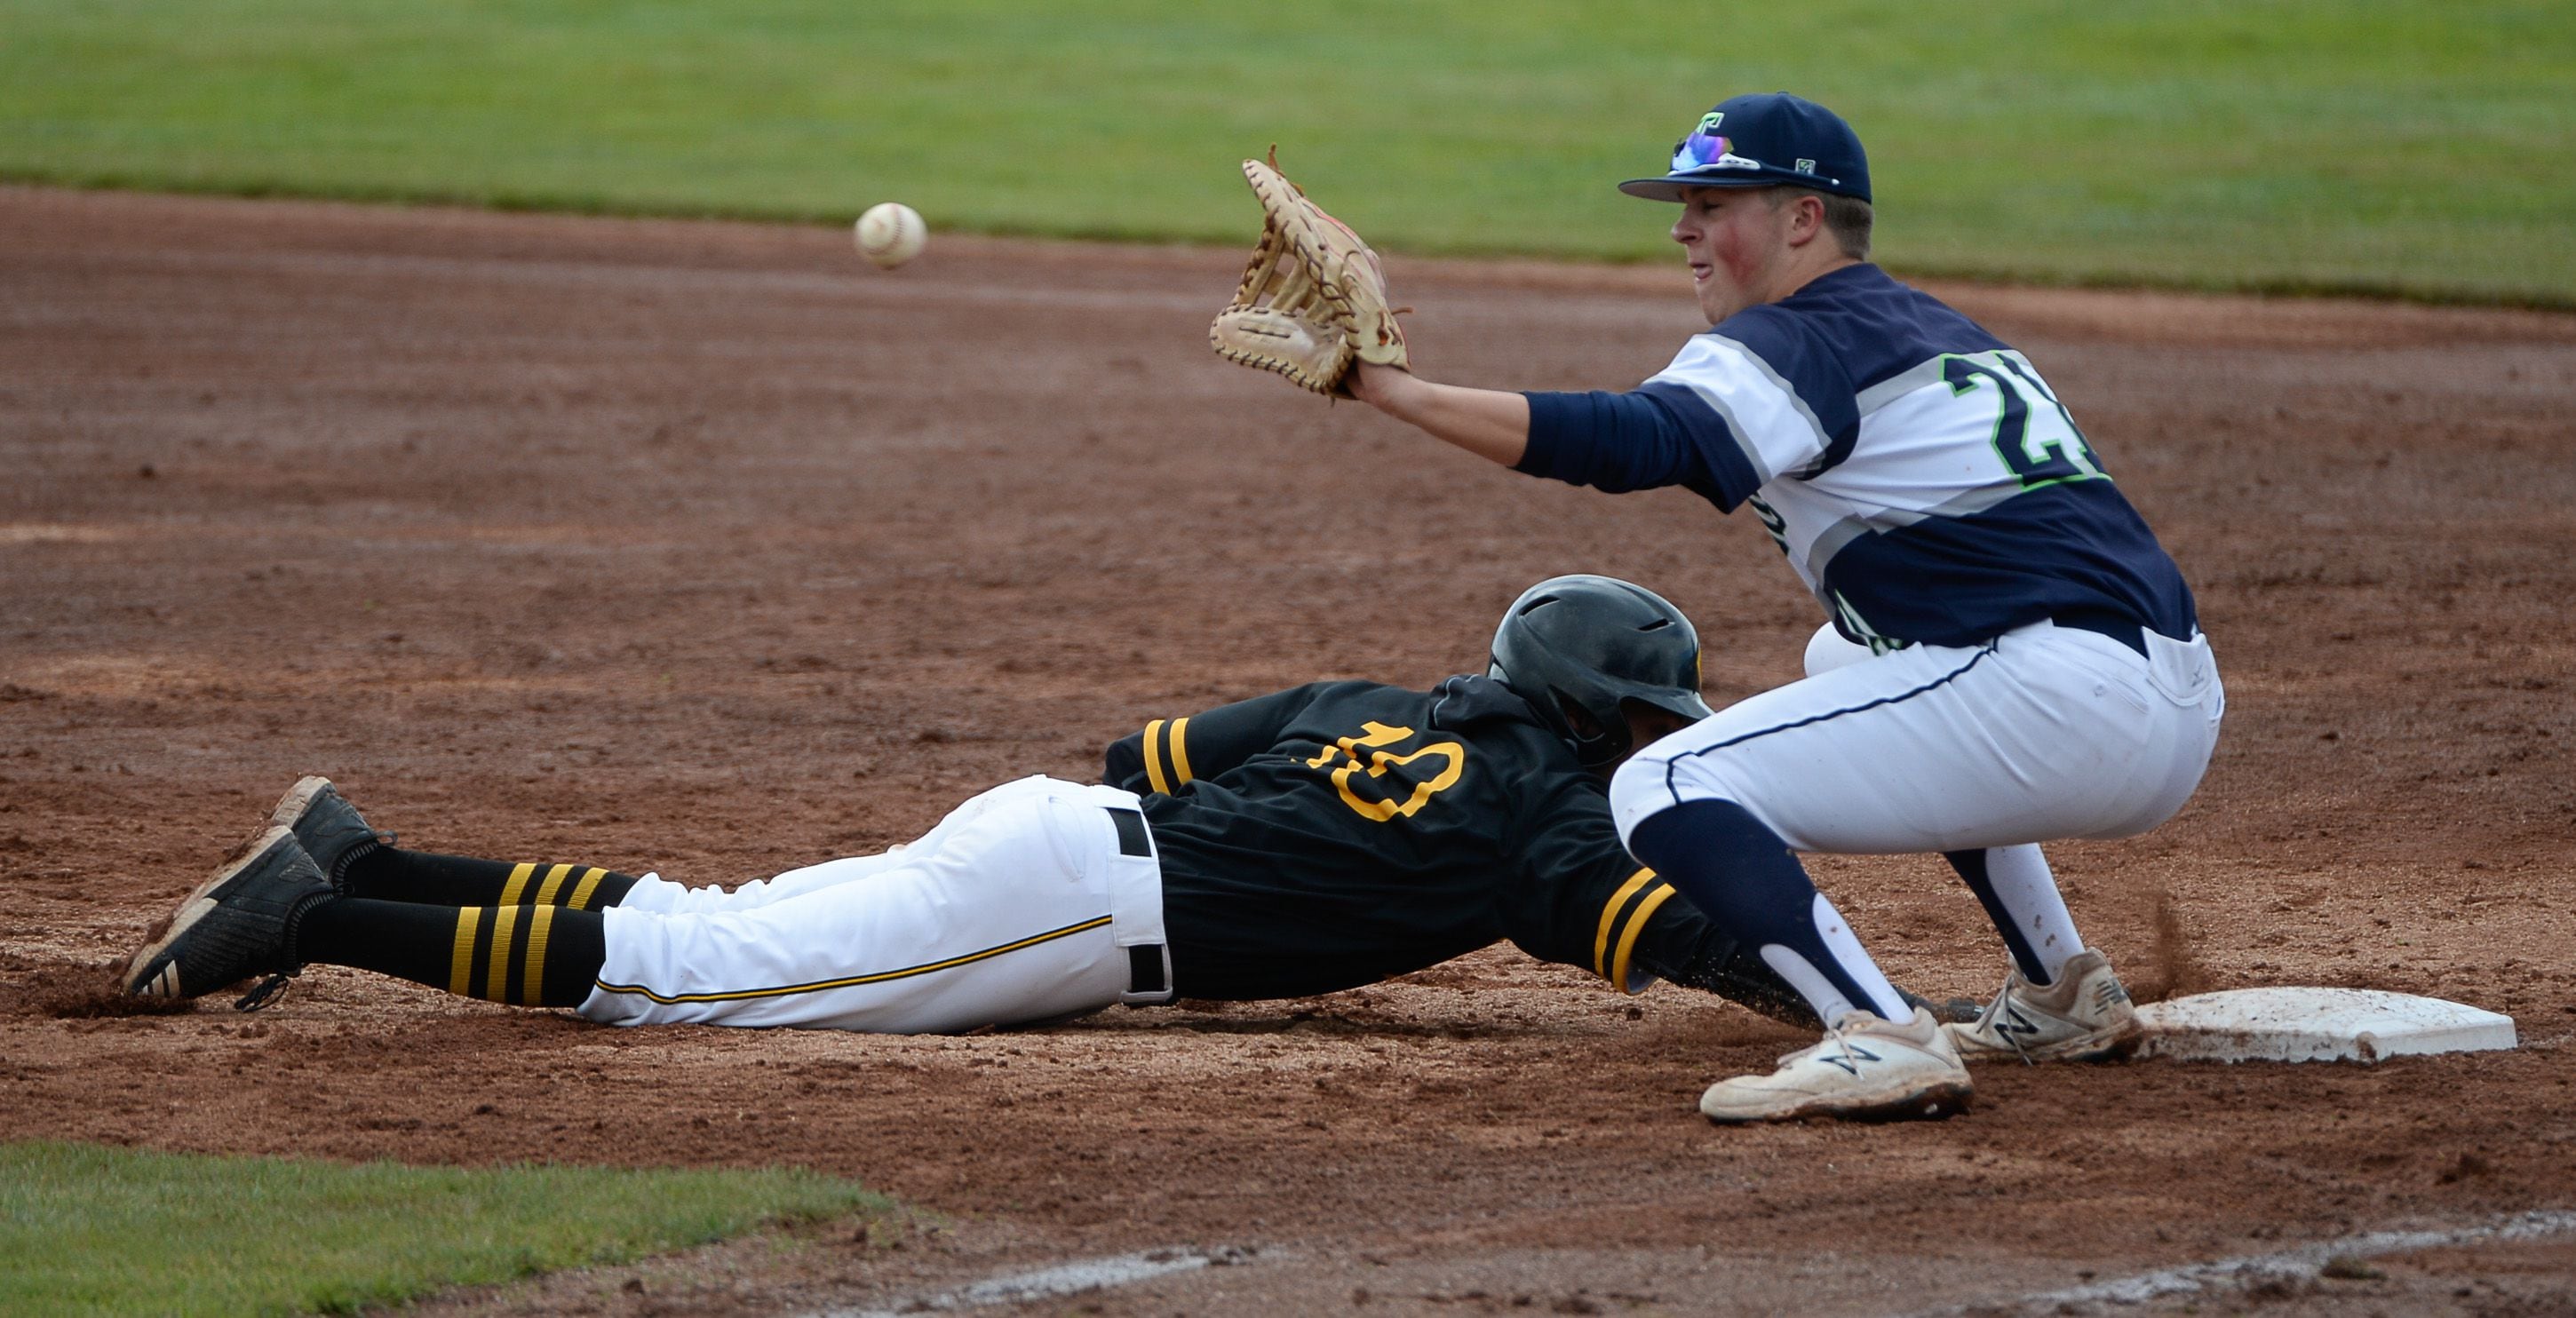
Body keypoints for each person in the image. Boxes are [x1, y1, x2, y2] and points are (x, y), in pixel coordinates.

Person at [1340, 92, 2223, 1123]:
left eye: (1713, 202)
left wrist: (1402, 393)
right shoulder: (1928, 324)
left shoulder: (1793, 337)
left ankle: (1876, 1030)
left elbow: (1636, 442)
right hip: (2161, 700)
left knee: (1663, 781)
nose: (1681, 227)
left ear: (1802, 218)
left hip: (2058, 706)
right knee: (1842, 656)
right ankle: (2059, 986)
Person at [125, 576, 1899, 1036]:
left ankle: (357, 851)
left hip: (1044, 829)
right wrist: (1852, 1001)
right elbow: (1689, 942)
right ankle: (323, 919)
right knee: (684, 980)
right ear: (1613, 721)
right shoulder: (1554, 830)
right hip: (1069, 914)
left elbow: (1147, 754)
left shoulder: (1381, 701)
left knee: (702, 920)